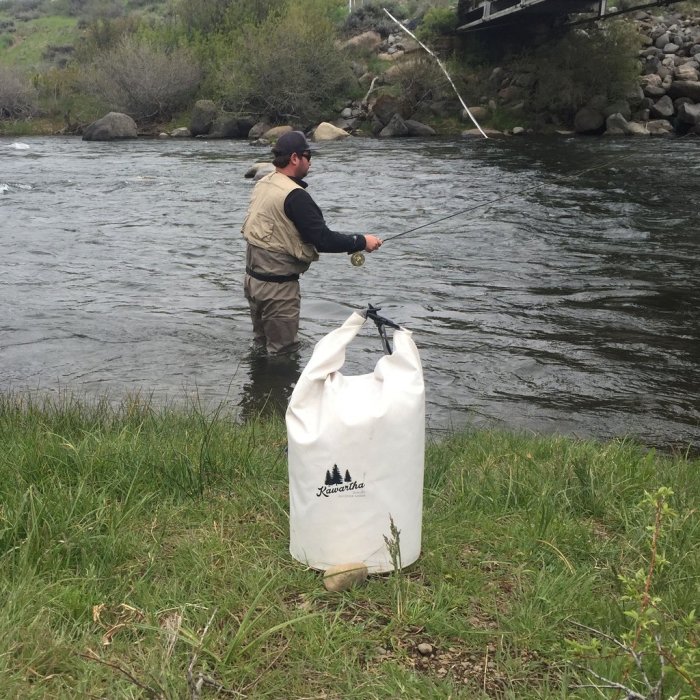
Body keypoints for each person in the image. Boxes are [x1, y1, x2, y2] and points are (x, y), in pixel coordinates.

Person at [242, 130, 382, 355]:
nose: (311, 162)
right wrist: (362, 241)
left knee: (261, 347)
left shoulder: (264, 183)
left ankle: (256, 389)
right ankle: (279, 389)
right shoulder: (295, 196)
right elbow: (323, 240)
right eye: (308, 156)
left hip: (253, 283)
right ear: (295, 158)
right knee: (283, 355)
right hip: (278, 291)